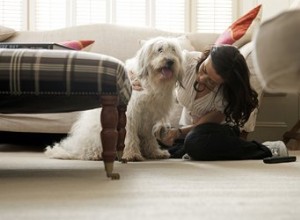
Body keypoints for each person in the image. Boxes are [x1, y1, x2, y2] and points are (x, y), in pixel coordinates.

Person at [153, 44, 289, 160]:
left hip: (215, 132)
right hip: (192, 131)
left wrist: (177, 132)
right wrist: (140, 79)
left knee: (195, 142)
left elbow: (201, 126)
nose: (201, 78)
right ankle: (189, 151)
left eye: (211, 81)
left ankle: (267, 149)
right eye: (204, 69)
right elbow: (156, 66)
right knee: (154, 140)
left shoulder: (225, 95)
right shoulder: (187, 61)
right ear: (207, 58)